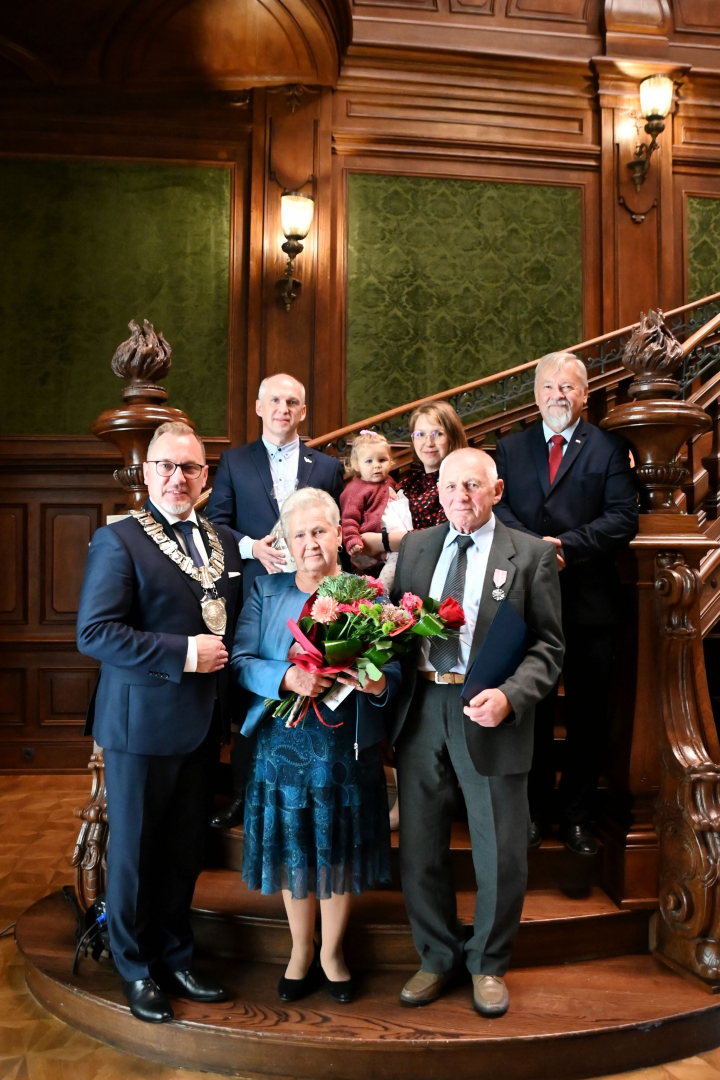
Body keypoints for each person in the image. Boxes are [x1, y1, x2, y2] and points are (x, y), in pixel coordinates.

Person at [76, 421, 243, 1024]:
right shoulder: (117, 540)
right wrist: (183, 652)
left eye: (189, 467)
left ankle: (175, 956)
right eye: (166, 466)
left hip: (203, 723)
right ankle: (134, 966)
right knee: (135, 853)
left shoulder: (223, 541)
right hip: (139, 725)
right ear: (147, 473)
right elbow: (95, 633)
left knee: (183, 851)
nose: (177, 477)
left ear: (205, 475)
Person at [389, 447, 564, 1017]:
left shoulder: (531, 555)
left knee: (499, 851)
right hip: (421, 708)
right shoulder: (415, 547)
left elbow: (548, 647)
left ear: (497, 490)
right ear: (436, 492)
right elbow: (394, 630)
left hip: (490, 710)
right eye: (449, 486)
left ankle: (488, 963)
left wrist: (511, 697)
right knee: (420, 846)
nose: (460, 496)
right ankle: (436, 956)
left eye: (472, 485)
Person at [231, 488, 400, 1004]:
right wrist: (286, 677)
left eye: (321, 531)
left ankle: (332, 953)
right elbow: (241, 661)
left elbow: (393, 668)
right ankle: (300, 950)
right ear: (285, 542)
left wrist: (377, 682)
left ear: (338, 536)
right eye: (300, 534)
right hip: (281, 743)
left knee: (338, 847)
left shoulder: (369, 594)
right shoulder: (265, 591)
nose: (311, 543)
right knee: (295, 845)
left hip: (344, 746)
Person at [494, 351, 638, 855]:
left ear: (585, 395)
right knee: (529, 712)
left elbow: (622, 517)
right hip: (526, 602)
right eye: (550, 387)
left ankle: (577, 816)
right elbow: (499, 509)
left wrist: (566, 548)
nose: (559, 395)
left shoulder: (608, 448)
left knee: (586, 715)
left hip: (589, 602)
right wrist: (537, 549)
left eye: (569, 387)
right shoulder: (509, 448)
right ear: (536, 395)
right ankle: (533, 813)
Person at [206, 373, 344, 829]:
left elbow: (334, 525)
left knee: (319, 683)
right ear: (260, 407)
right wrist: (252, 548)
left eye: (293, 402)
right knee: (256, 691)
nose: (283, 409)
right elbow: (216, 524)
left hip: (317, 591)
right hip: (260, 591)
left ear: (303, 411)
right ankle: (243, 796)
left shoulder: (327, 467)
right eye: (276, 401)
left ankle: (314, 790)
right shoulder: (234, 461)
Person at [339, 429, 413, 589]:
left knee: (402, 559)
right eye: (369, 461)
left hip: (390, 539)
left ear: (390, 461)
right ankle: (381, 592)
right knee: (397, 559)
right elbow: (349, 519)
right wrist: (352, 539)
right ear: (356, 464)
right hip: (369, 544)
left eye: (382, 460)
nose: (377, 465)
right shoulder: (355, 490)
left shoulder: (389, 481)